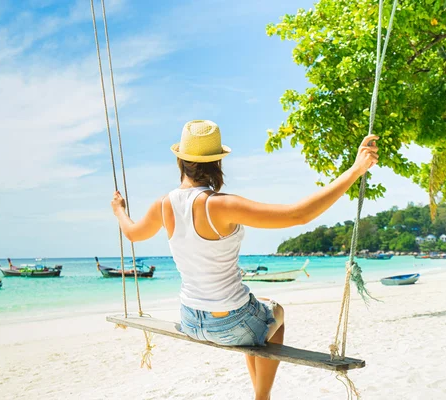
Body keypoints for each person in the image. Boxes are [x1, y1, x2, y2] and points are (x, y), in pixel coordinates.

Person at [110, 120, 379, 400]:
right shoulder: (221, 205)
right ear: (218, 164)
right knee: (276, 314)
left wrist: (119, 210)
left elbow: (132, 233)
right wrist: (355, 170)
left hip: (190, 319)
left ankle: (259, 394)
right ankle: (262, 397)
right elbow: (298, 215)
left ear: (180, 161)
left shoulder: (163, 204)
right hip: (231, 324)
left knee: (255, 312)